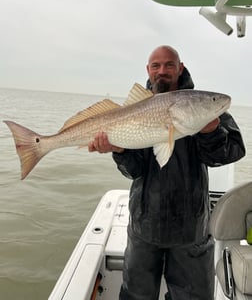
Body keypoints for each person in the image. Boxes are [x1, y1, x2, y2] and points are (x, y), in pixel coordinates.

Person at [88, 45, 246, 300]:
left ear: (180, 68)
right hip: (144, 225)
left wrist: (211, 131)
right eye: (156, 66)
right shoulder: (137, 109)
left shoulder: (200, 104)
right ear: (148, 71)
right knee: (136, 295)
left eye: (169, 65)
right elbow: (134, 170)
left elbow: (234, 151)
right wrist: (119, 150)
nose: (162, 71)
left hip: (191, 226)